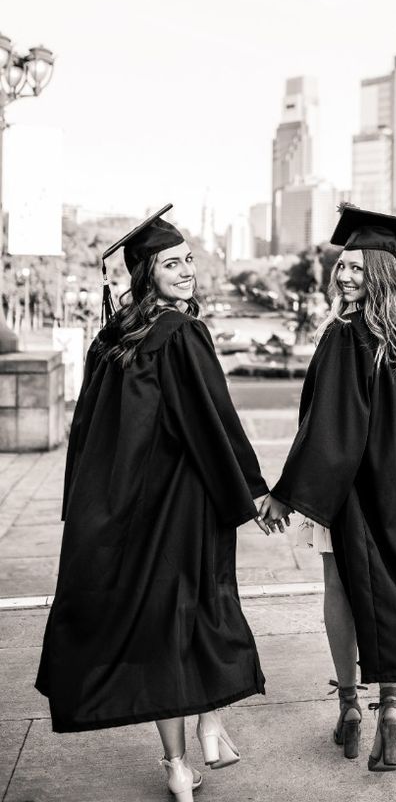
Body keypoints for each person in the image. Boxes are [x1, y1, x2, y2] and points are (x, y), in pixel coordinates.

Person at [36, 205, 271, 802]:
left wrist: (87, 506)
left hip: (130, 508)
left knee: (158, 630)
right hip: (185, 504)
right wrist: (252, 488)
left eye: (189, 259)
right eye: (171, 263)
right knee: (202, 614)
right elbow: (214, 420)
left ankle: (177, 766)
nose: (186, 270)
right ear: (148, 273)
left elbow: (84, 432)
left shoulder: (112, 338)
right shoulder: (182, 334)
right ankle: (211, 723)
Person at [261, 203, 396, 772]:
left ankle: (351, 706)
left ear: (380, 269)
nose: (345, 275)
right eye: (342, 266)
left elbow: (331, 425)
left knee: (343, 590)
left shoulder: (346, 334)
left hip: (354, 493)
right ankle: (392, 708)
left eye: (358, 267)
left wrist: (291, 492)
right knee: (391, 587)